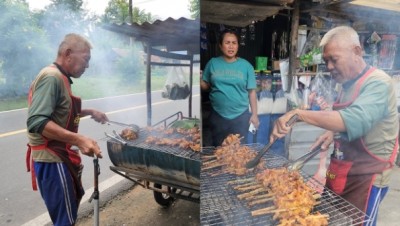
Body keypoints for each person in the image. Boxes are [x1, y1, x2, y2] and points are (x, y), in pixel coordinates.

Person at [270, 26, 398, 226]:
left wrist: (299, 113)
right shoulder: (345, 83)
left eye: (334, 59)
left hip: (367, 177)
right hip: (343, 169)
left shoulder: (378, 83)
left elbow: (355, 119)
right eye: (326, 60)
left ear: (356, 51)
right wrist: (332, 131)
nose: (329, 66)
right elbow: (346, 118)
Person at [26, 33, 109, 226]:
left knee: (68, 214)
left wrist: (88, 111)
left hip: (59, 157)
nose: (87, 66)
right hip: (52, 160)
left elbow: (58, 112)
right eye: (86, 59)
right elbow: (37, 121)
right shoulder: (52, 77)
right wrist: (79, 140)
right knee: (65, 221)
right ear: (68, 53)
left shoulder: (60, 77)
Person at [201, 29, 259, 146]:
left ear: (238, 46)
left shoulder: (246, 66)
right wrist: (198, 78)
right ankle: (220, 164)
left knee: (239, 149)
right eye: (227, 43)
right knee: (218, 149)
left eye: (234, 43)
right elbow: (205, 86)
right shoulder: (213, 63)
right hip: (218, 115)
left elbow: (252, 92)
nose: (231, 46)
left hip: (240, 116)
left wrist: (254, 114)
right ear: (221, 46)